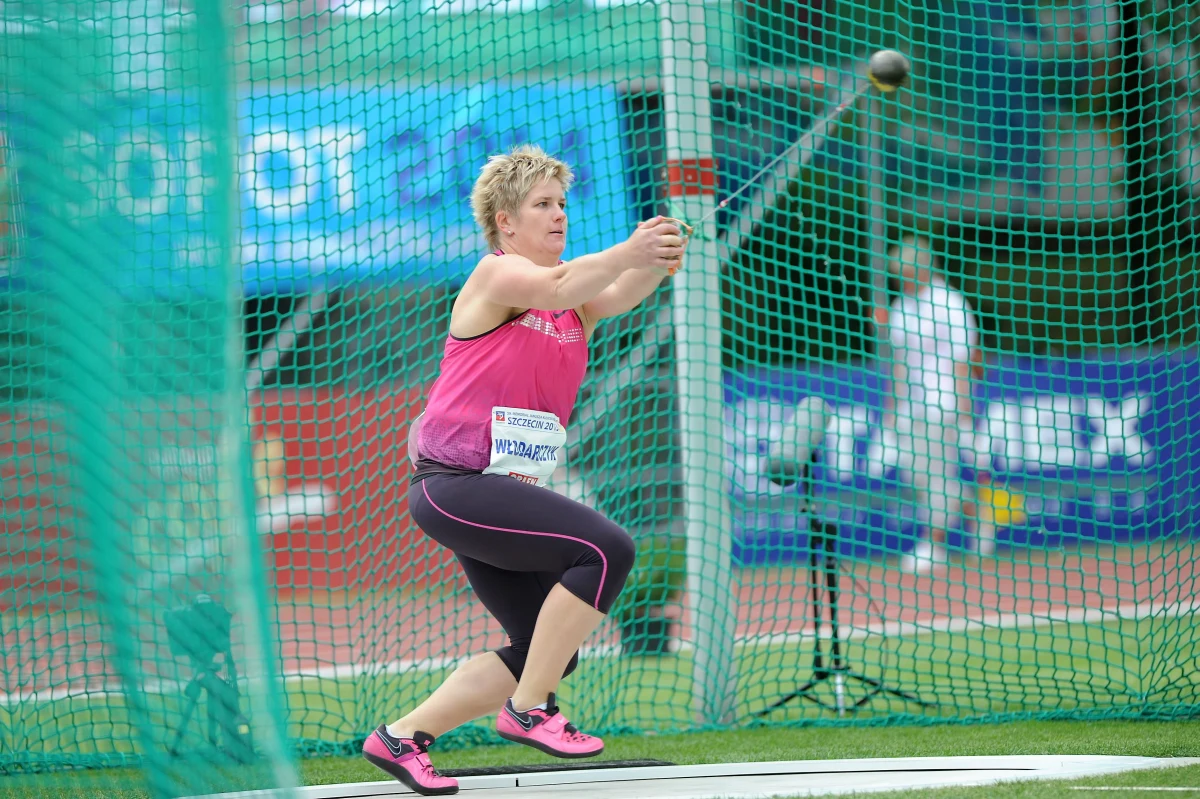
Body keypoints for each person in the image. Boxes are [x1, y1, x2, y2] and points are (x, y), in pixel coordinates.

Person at [361, 144, 688, 796]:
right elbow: (567, 281)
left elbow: (614, 292)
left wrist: (658, 257)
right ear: (506, 222)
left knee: (547, 647)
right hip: (456, 486)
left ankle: (402, 737)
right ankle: (530, 710)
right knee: (607, 549)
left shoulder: (572, 303)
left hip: (496, 492)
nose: (558, 214)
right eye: (542, 204)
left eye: (562, 203)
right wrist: (628, 249)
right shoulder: (496, 275)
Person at [869, 234, 982, 574]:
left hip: (942, 407)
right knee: (918, 476)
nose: (901, 278)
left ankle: (933, 544)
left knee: (936, 477)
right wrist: (891, 413)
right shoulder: (902, 308)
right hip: (910, 411)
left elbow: (963, 362)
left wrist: (965, 415)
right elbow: (899, 366)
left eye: (905, 271)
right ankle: (977, 512)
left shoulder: (951, 303)